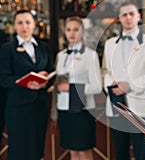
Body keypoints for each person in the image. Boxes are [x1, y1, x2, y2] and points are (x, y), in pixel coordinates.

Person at [102, 2, 145, 160]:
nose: (128, 17)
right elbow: (104, 70)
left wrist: (129, 86)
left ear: (138, 16)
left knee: (141, 153)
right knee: (120, 152)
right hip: (116, 104)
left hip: (140, 105)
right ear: (119, 18)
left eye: (132, 13)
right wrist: (112, 84)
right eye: (124, 15)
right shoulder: (110, 44)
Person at [0, 9, 54, 160]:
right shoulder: (7, 49)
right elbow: (3, 79)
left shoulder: (43, 47)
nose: (24, 26)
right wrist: (25, 81)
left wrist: (45, 81)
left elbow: (51, 71)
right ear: (14, 26)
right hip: (18, 108)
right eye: (20, 22)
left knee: (37, 150)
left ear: (34, 25)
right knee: (18, 151)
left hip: (40, 106)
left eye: (28, 22)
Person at [51, 16, 102, 160]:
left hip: (82, 110)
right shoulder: (60, 56)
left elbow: (97, 87)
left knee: (84, 150)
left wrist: (70, 87)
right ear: (64, 32)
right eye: (68, 30)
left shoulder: (90, 55)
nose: (72, 33)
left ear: (83, 32)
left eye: (76, 30)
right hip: (64, 109)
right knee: (72, 150)